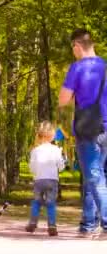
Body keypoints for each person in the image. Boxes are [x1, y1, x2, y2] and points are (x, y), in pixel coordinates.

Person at [59, 28, 107, 237]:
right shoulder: (105, 66)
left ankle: (105, 222)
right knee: (93, 176)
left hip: (89, 129)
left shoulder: (77, 68)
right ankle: (88, 224)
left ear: (77, 46)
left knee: (95, 177)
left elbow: (63, 100)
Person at [25, 121, 64, 236]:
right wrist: (62, 159)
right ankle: (52, 225)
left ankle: (32, 222)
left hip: (39, 180)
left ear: (39, 135)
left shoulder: (35, 150)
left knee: (36, 202)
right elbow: (60, 167)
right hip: (52, 180)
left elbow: (32, 167)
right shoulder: (56, 150)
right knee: (51, 203)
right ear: (52, 136)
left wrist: (36, 173)